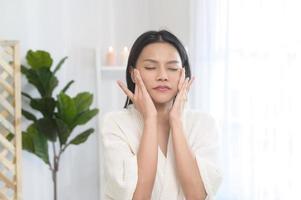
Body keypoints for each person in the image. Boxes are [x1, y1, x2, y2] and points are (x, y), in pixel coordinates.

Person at [100, 30, 222, 200]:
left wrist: (176, 121)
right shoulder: (115, 123)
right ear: (133, 74)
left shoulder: (204, 124)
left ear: (183, 73)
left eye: (172, 68)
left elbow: (197, 196)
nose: (163, 76)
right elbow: (138, 197)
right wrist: (150, 119)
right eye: (150, 67)